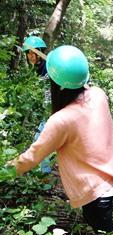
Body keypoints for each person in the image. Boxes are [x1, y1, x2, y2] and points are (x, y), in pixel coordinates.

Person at [9, 45, 113, 235]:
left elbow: (32, 157)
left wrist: (7, 170)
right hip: (112, 175)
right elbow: (87, 90)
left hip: (95, 188)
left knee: (105, 232)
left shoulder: (61, 121)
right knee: (101, 224)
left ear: (55, 84)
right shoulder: (98, 95)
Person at [22, 36, 52, 174]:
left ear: (39, 52)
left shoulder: (49, 65)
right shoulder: (39, 69)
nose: (30, 56)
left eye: (32, 52)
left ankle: (44, 173)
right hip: (49, 111)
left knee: (39, 141)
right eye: (28, 53)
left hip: (55, 110)